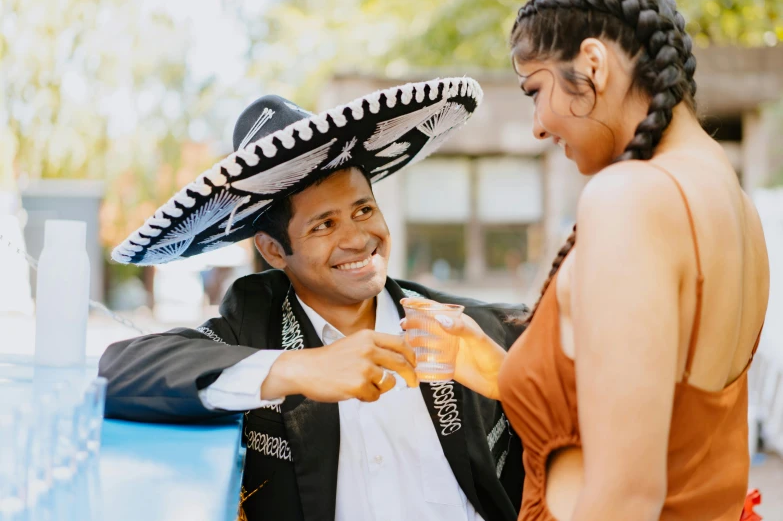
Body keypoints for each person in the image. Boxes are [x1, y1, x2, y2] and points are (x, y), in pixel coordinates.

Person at [401, 1, 770, 520]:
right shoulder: (736, 206)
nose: (537, 126)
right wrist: (507, 374)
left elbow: (627, 497)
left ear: (593, 64)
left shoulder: (631, 198)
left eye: (535, 91)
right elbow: (666, 421)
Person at [101, 78, 527, 521]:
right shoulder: (252, 330)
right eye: (324, 225)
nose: (358, 239)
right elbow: (118, 372)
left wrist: (508, 380)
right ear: (272, 250)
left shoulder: (469, 330)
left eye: (364, 210)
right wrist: (299, 368)